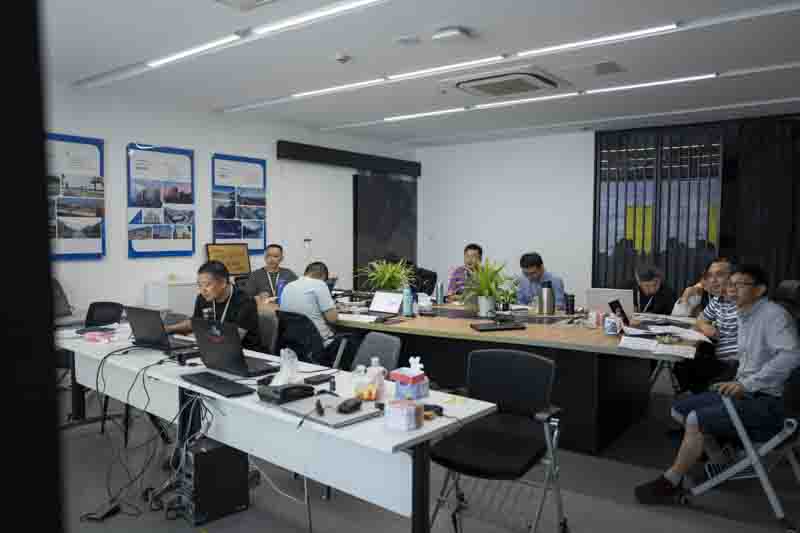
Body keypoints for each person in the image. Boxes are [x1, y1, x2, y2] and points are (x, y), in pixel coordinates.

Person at [635, 264, 800, 505]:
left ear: (760, 290)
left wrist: (748, 384)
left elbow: (791, 356)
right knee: (678, 409)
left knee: (694, 418)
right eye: (730, 284)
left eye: (739, 285)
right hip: (745, 388)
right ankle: (723, 462)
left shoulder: (772, 316)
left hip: (768, 401)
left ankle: (671, 480)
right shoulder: (745, 313)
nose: (731, 289)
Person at [166, 260, 261, 350]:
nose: (203, 290)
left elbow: (234, 338)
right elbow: (195, 322)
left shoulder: (245, 302)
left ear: (223, 283)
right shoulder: (203, 298)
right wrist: (169, 329)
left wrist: (200, 338)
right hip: (215, 348)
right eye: (200, 285)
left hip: (246, 353)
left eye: (207, 285)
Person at [279, 261, 338, 345]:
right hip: (319, 342)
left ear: (306, 273)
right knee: (354, 339)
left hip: (294, 342)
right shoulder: (320, 284)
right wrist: (334, 307)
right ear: (323, 276)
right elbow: (332, 318)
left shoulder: (288, 286)